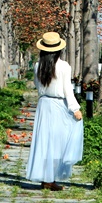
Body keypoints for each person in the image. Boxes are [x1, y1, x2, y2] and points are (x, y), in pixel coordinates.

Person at [25, 31, 83, 191]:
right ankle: (51, 179)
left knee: (44, 142)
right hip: (58, 106)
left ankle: (46, 178)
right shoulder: (64, 66)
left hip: (43, 105)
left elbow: (38, 86)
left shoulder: (38, 66)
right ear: (59, 49)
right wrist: (75, 108)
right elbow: (67, 90)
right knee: (58, 143)